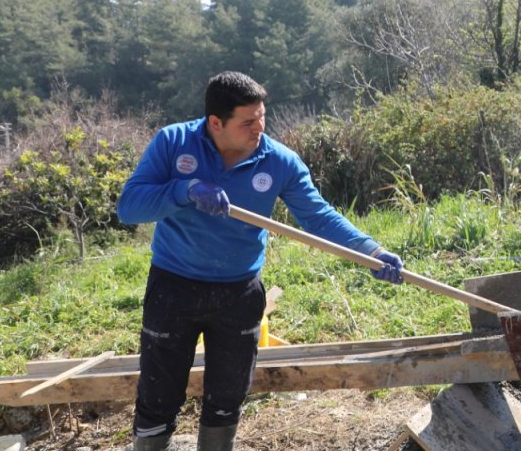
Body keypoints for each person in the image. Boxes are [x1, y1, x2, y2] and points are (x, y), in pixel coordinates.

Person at [117, 71, 405, 451]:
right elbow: (129, 207)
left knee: (227, 396)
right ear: (215, 122)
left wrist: (370, 251)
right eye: (248, 121)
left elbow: (318, 216)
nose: (259, 128)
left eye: (262, 117)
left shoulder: (279, 161)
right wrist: (185, 190)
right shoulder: (173, 142)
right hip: (174, 286)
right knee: (158, 394)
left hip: (238, 293)